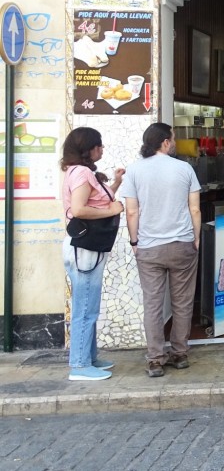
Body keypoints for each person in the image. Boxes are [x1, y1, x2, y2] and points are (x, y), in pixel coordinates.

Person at [121, 123, 202, 377]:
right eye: (173, 139)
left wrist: (134, 241)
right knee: (183, 302)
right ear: (166, 142)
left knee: (153, 303)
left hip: (149, 247)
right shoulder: (184, 168)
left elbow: (131, 211)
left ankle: (155, 359)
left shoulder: (134, 170)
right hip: (182, 244)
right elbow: (195, 209)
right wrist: (196, 238)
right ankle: (180, 353)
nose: (175, 142)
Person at [60, 127, 124, 381]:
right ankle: (79, 364)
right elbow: (79, 209)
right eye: (98, 145)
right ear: (87, 149)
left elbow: (98, 202)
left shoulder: (81, 172)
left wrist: (116, 183)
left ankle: (89, 357)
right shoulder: (83, 172)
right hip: (84, 248)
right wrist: (112, 211)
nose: (102, 149)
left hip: (88, 247)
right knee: (85, 308)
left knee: (89, 305)